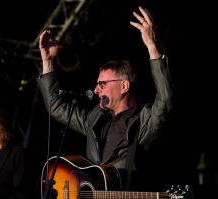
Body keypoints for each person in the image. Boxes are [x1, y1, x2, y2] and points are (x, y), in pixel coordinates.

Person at [37, 6, 173, 191]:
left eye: (102, 84)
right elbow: (56, 107)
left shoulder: (144, 121)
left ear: (124, 86)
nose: (96, 89)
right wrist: (48, 62)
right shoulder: (95, 119)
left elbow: (165, 100)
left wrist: (152, 47)